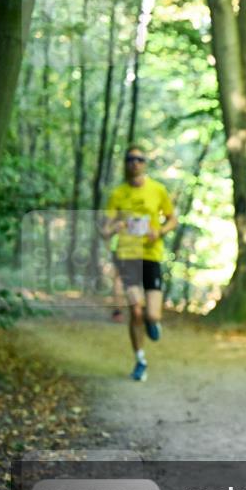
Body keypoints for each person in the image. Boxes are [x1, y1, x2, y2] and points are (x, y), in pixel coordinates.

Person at [101, 145, 177, 382]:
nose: (135, 162)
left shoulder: (157, 190)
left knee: (152, 315)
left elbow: (172, 218)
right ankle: (140, 360)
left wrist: (160, 231)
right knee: (135, 309)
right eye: (130, 159)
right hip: (127, 256)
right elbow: (104, 230)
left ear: (145, 163)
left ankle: (151, 321)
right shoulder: (118, 194)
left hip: (152, 255)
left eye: (139, 159)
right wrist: (116, 227)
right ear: (125, 163)